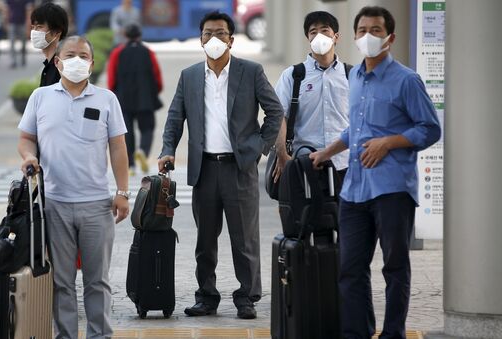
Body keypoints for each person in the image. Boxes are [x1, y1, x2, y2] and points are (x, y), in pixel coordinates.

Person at [309, 6, 441, 339]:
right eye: (363, 29)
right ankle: (356, 333)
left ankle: (392, 334)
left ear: (390, 37)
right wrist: (327, 151)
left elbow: (430, 128)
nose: (369, 36)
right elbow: (357, 128)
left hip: (393, 188)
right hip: (354, 190)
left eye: (377, 30)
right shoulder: (354, 77)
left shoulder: (406, 80)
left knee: (394, 268)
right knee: (350, 269)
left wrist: (390, 142)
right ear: (354, 37)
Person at [157, 11, 283, 320]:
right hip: (205, 170)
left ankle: (247, 297)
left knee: (245, 240)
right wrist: (167, 149)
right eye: (208, 34)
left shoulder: (250, 71)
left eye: (221, 34)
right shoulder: (189, 76)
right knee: (205, 240)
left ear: (231, 39)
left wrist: (258, 148)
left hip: (239, 168)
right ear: (200, 39)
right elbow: (175, 117)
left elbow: (275, 111)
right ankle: (207, 297)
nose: (214, 39)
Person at [17, 36, 130, 339]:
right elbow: (27, 137)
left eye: (83, 55)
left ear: (92, 64)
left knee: (97, 281)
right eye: (70, 55)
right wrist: (29, 156)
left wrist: (122, 192)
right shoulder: (40, 97)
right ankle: (65, 335)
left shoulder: (107, 99)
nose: (77, 60)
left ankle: (99, 335)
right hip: (54, 203)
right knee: (62, 282)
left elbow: (118, 148)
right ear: (58, 61)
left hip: (97, 205)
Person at [273, 11, 350, 182]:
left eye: (325, 30)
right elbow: (279, 116)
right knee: (305, 210)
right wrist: (282, 154)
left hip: (346, 164)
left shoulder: (351, 75)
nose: (318, 36)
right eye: (313, 32)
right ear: (308, 38)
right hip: (305, 163)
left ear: (336, 37)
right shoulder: (293, 75)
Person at [107, 24, 163, 175]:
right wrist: (155, 91)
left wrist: (113, 93)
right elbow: (157, 75)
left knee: (127, 131)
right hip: (145, 97)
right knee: (147, 128)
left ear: (125, 35)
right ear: (139, 35)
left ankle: (131, 165)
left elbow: (111, 78)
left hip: (124, 98)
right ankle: (143, 152)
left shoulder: (117, 53)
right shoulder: (148, 52)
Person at [30, 2, 68, 86]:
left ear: (56, 32)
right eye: (33, 27)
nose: (34, 32)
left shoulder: (61, 67)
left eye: (39, 27)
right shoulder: (49, 64)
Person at [6, 0, 34, 68]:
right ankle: (13, 61)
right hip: (12, 23)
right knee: (12, 42)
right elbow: (7, 10)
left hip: (22, 23)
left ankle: (23, 58)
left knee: (23, 42)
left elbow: (28, 10)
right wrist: (6, 22)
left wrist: (28, 24)